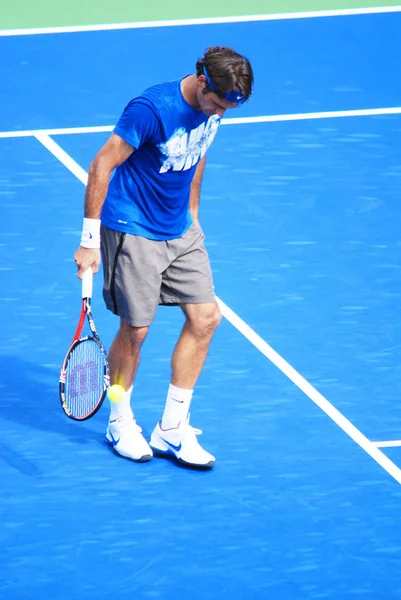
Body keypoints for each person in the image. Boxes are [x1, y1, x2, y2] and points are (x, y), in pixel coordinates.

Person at [74, 45, 254, 468]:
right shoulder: (152, 109)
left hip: (180, 230)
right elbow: (102, 164)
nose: (220, 113)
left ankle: (172, 428)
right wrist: (89, 239)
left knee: (206, 318)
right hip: (134, 229)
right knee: (135, 332)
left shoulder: (215, 110)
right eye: (217, 103)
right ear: (202, 80)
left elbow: (198, 151)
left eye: (229, 108)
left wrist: (193, 211)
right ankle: (119, 420)